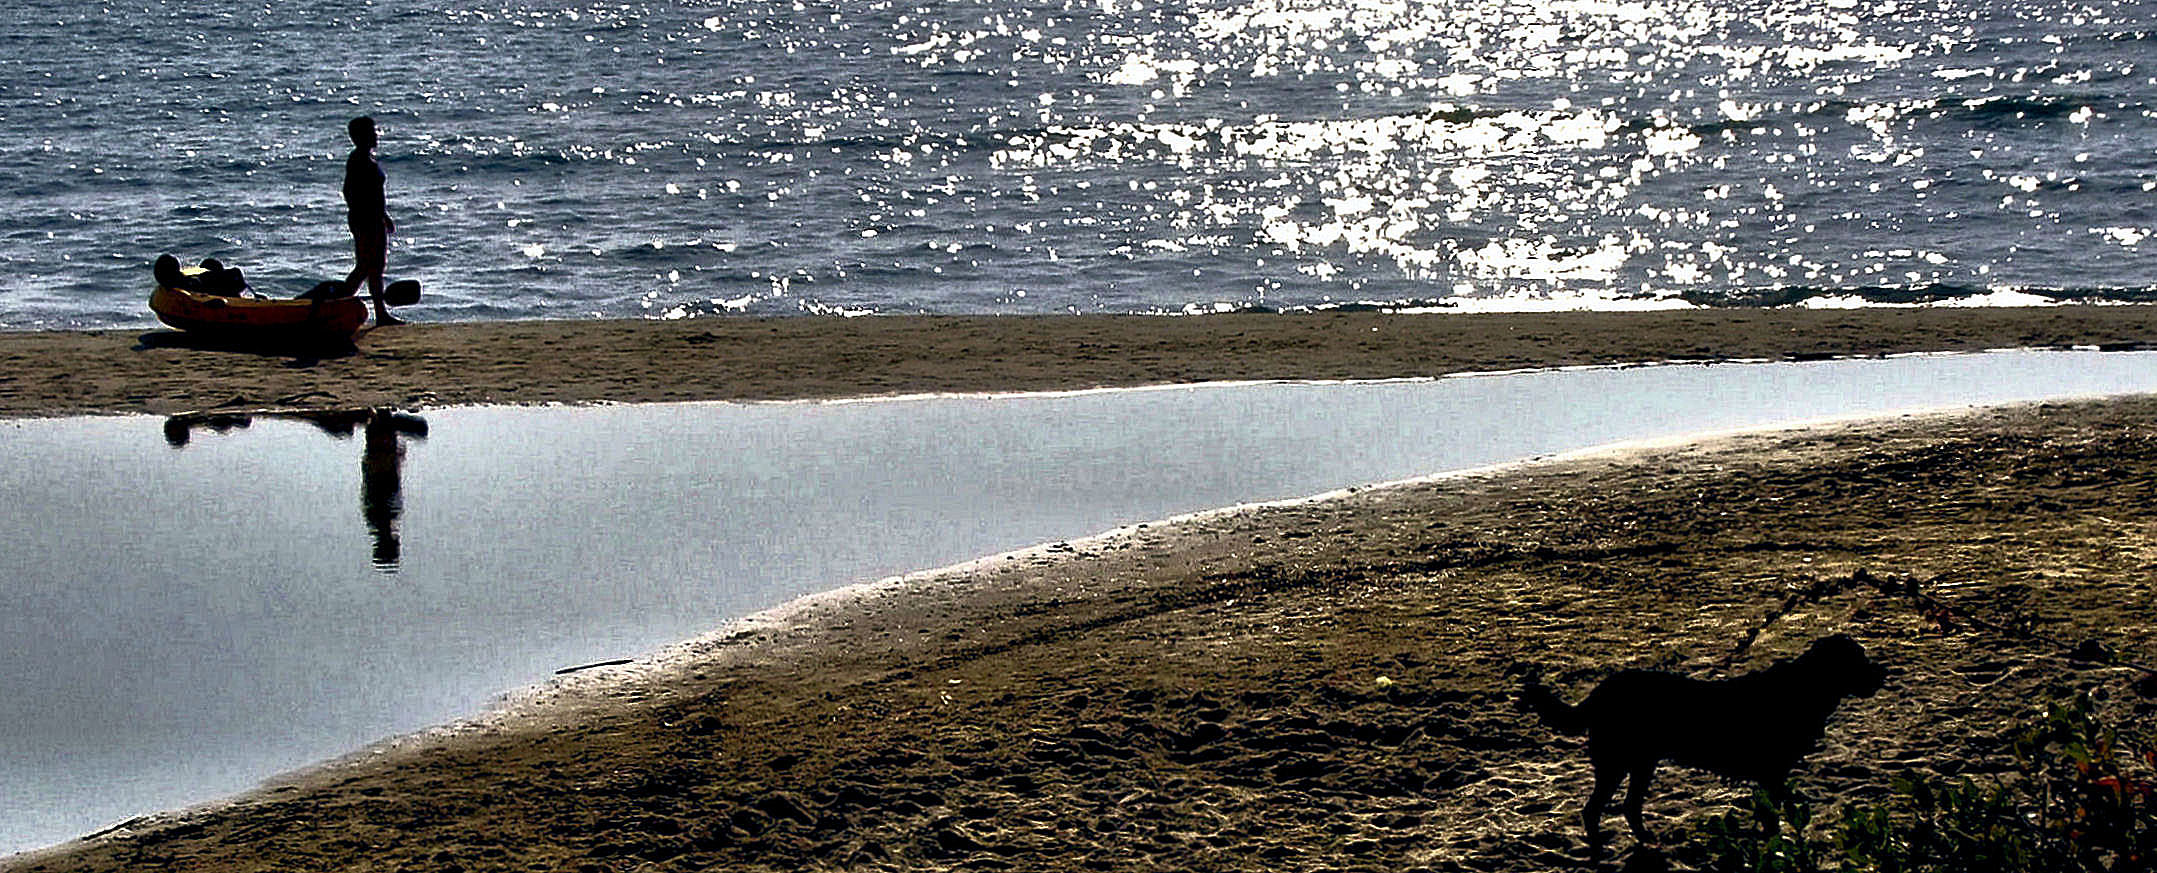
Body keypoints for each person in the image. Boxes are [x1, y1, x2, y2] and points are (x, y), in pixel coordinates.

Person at [342, 116, 403, 326]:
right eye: (372, 132)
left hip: (374, 218)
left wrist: (384, 216)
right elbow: (349, 192)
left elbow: (375, 194)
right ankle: (338, 304)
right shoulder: (357, 160)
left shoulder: (367, 159)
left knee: (375, 267)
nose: (376, 135)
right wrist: (364, 217)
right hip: (365, 220)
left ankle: (380, 313)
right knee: (365, 266)